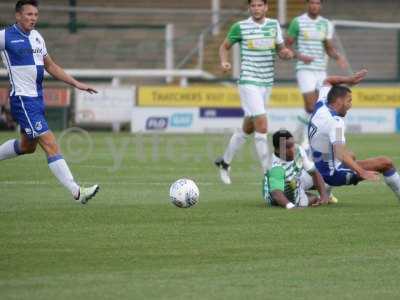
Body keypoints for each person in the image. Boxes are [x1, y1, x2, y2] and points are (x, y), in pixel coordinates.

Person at [0, 0, 99, 204]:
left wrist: (75, 83)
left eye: (35, 14)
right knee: (50, 143)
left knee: (28, 146)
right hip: (22, 100)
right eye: (28, 14)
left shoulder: (37, 37)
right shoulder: (5, 36)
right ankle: (77, 191)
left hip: (37, 100)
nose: (33, 18)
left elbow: (51, 66)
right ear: (18, 16)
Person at [215, 0, 294, 184]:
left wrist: (286, 54)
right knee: (263, 126)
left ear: (266, 7)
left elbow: (280, 50)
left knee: (247, 128)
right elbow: (224, 47)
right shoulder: (240, 27)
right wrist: (224, 62)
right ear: (249, 8)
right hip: (248, 81)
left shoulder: (274, 25)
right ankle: (268, 174)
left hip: (266, 82)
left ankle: (225, 162)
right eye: (253, 6)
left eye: (260, 5)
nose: (256, 9)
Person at [308, 70, 400, 200]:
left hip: (318, 165)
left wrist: (349, 80)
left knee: (351, 155)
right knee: (386, 163)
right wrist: (362, 172)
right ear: (339, 101)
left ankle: (326, 190)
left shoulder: (321, 105)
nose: (350, 105)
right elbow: (340, 153)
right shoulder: (336, 122)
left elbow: (327, 81)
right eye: (349, 101)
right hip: (332, 174)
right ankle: (326, 184)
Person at [286, 0, 348, 150]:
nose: (315, 5)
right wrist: (301, 56)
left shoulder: (326, 24)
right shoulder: (298, 22)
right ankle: (304, 141)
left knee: (318, 107)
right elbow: (287, 45)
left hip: (321, 70)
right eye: (312, 2)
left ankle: (299, 138)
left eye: (318, 3)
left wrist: (338, 56)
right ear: (308, 4)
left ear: (321, 5)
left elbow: (329, 48)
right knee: (310, 106)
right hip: (304, 69)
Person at [263, 129, 330, 209]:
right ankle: (303, 194)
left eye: (292, 145)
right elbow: (276, 193)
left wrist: (323, 196)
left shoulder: (298, 150)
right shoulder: (275, 167)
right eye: (287, 147)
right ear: (277, 149)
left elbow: (314, 172)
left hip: (295, 180)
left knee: (327, 177)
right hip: (278, 192)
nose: (292, 150)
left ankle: (328, 196)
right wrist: (291, 207)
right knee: (310, 200)